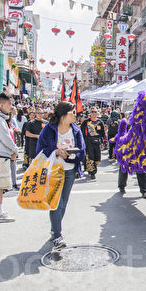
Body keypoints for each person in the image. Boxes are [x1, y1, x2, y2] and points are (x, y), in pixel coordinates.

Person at [37, 102, 86, 250]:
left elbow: (82, 152)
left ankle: (54, 230)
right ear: (64, 114)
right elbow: (40, 149)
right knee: (56, 203)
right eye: (72, 112)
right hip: (53, 171)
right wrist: (56, 151)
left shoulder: (76, 131)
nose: (75, 115)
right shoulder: (49, 130)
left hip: (70, 171)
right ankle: (58, 235)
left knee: (63, 203)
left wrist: (69, 157)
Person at [0, 93, 19, 222]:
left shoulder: (0, 118)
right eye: (9, 104)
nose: (11, 107)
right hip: (0, 155)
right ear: (1, 105)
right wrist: (14, 149)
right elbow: (5, 138)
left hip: (2, 155)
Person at [81, 108, 105, 179]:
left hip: (97, 142)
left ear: (97, 113)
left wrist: (103, 142)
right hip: (88, 142)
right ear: (90, 113)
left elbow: (102, 133)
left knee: (97, 158)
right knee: (90, 156)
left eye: (95, 112)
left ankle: (90, 168)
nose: (94, 113)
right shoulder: (86, 122)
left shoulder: (100, 122)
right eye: (92, 112)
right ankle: (92, 172)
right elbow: (81, 132)